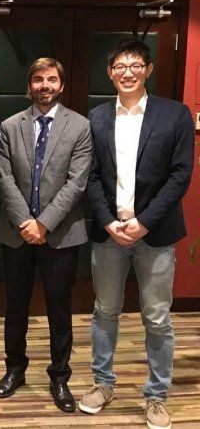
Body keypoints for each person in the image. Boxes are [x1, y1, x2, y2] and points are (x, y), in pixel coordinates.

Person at [80, 39, 194, 429]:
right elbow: (91, 176)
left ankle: (157, 396)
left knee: (157, 318)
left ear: (148, 70)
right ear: (110, 73)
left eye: (135, 65)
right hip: (109, 233)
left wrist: (144, 221)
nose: (127, 72)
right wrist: (108, 221)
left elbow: (180, 175)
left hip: (155, 233)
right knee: (105, 311)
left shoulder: (175, 115)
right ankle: (103, 383)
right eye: (120, 66)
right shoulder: (96, 117)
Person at [0, 58, 92, 412]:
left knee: (59, 309)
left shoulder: (80, 126)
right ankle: (14, 370)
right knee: (15, 306)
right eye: (38, 79)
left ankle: (59, 377)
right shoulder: (9, 126)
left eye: (51, 79)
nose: (44, 85)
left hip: (61, 234)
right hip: (16, 232)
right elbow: (4, 178)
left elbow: (77, 182)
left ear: (61, 86)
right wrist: (26, 222)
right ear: (29, 85)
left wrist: (44, 223)